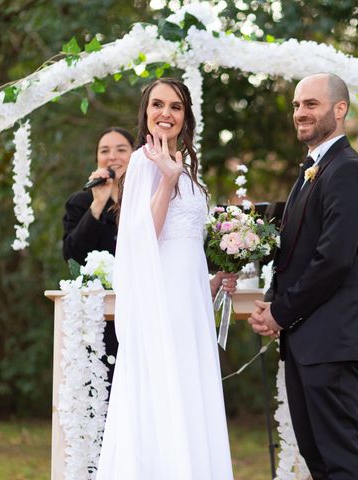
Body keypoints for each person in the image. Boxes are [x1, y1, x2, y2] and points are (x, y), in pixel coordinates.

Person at [96, 78, 235, 479]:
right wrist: (168, 178)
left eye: (175, 107)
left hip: (188, 301)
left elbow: (184, 244)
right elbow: (143, 236)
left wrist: (209, 282)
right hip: (160, 302)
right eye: (158, 105)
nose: (166, 114)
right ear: (145, 113)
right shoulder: (143, 162)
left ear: (185, 116)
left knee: (190, 395)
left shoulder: (186, 166)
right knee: (163, 394)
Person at [248, 73, 358, 480]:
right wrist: (272, 299)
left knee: (340, 458)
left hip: (334, 340)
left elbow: (333, 260)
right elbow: (294, 252)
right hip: (309, 340)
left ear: (339, 110)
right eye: (296, 105)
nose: (300, 113)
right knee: (317, 458)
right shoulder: (313, 170)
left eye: (311, 104)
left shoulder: (348, 171)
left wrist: (282, 313)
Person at [62, 127, 135, 386]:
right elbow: (72, 254)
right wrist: (98, 203)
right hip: (98, 312)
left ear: (135, 155)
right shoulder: (80, 202)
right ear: (97, 160)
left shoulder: (148, 199)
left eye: (121, 150)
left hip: (139, 306)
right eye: (105, 151)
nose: (112, 156)